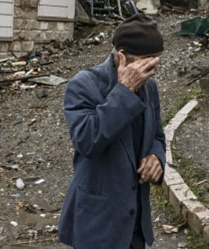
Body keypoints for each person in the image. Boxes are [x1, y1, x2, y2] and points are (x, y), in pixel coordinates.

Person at [58, 13, 166, 249]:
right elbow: (87, 141)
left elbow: (157, 134)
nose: (153, 68)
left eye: (156, 60)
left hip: (134, 224)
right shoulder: (84, 84)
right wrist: (124, 91)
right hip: (98, 224)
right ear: (122, 58)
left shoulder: (150, 88)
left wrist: (157, 158)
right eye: (146, 61)